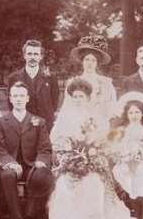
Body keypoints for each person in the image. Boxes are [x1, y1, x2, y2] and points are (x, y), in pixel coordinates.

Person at [48, 78, 131, 219]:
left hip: (92, 163)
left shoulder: (95, 118)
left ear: (87, 98)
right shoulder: (64, 118)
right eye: (75, 97)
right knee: (63, 184)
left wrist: (92, 154)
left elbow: (103, 142)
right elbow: (56, 142)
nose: (78, 100)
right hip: (69, 163)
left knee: (94, 182)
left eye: (81, 96)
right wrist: (68, 156)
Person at [0, 81, 54, 219]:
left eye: (21, 96)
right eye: (15, 96)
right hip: (11, 164)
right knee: (7, 175)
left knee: (41, 175)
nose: (18, 99)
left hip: (32, 164)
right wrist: (10, 162)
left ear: (27, 98)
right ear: (10, 98)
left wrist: (41, 161)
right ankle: (16, 215)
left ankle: (30, 214)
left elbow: (45, 147)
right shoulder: (1, 122)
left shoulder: (39, 121)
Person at [7, 39, 59, 130]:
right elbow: (11, 102)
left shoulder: (51, 77)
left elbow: (54, 102)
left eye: (36, 54)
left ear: (41, 56)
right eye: (29, 54)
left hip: (46, 125)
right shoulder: (14, 78)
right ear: (24, 56)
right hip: (23, 125)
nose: (32, 57)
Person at [66, 34, 116, 120]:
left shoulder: (106, 83)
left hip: (100, 124)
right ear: (82, 61)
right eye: (87, 59)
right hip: (77, 124)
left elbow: (112, 108)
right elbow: (67, 107)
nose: (90, 63)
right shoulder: (73, 83)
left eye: (93, 60)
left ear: (97, 63)